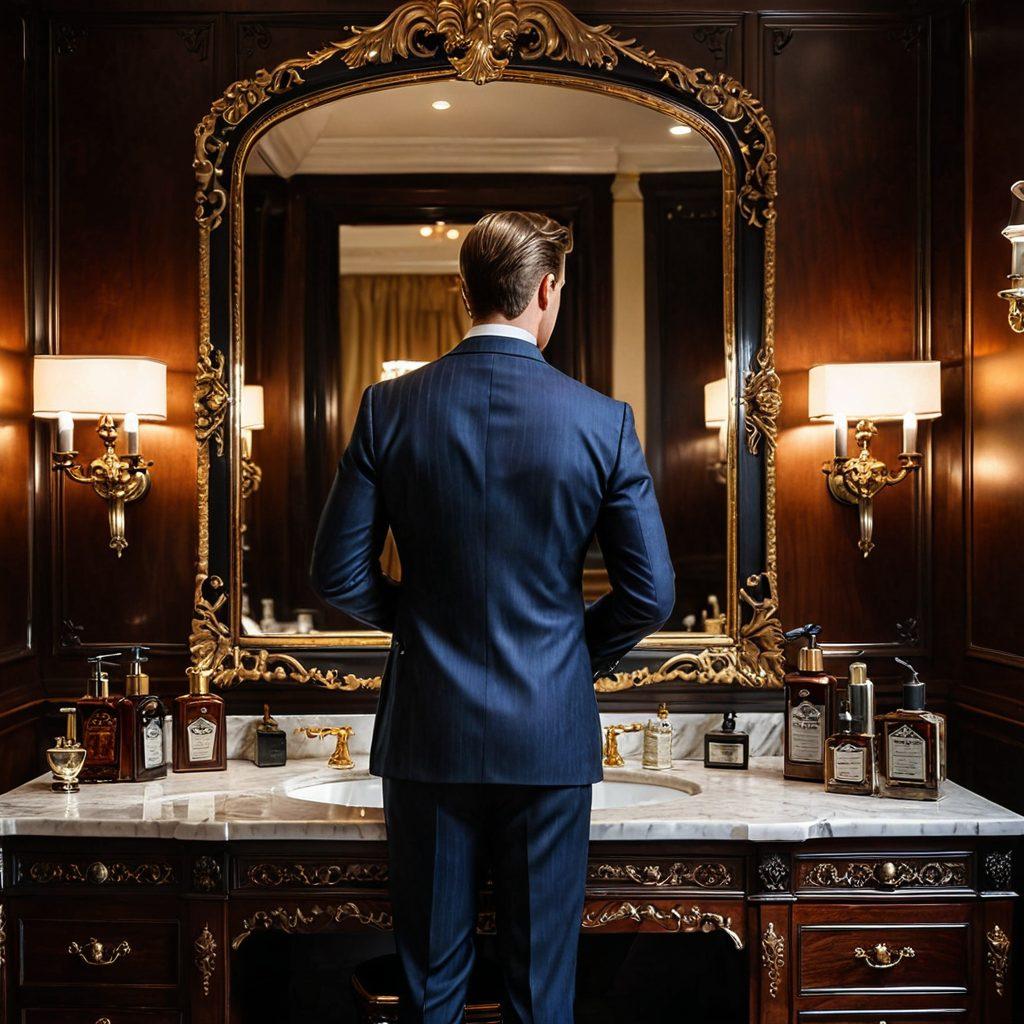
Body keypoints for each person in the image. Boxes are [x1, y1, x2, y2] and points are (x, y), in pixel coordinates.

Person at [310, 210, 674, 1024]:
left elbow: (335, 574)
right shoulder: (602, 420)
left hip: (428, 735)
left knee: (430, 993)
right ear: (546, 291)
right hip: (548, 736)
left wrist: (419, 623)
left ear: (462, 292)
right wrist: (569, 654)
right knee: (541, 993)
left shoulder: (388, 408)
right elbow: (651, 593)